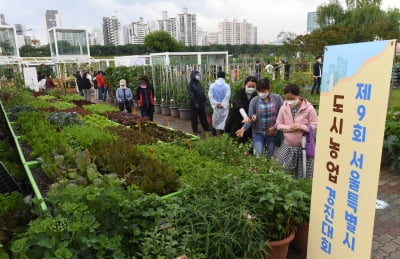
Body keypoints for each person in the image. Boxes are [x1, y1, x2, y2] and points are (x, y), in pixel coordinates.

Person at [275, 84, 318, 178]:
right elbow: (278, 124)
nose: (289, 101)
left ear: (299, 95)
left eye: (292, 98)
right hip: (288, 146)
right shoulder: (284, 108)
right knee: (282, 172)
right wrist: (289, 128)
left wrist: (301, 127)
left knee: (303, 174)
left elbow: (315, 125)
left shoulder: (308, 108)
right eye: (287, 99)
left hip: (304, 147)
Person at [235, 78, 283, 158]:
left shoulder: (277, 98)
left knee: (270, 155)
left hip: (272, 133)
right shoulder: (254, 101)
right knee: (258, 155)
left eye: (263, 91)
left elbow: (282, 115)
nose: (261, 93)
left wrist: (275, 128)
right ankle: (258, 170)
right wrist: (243, 129)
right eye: (259, 91)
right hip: (258, 133)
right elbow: (250, 117)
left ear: (268, 89)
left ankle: (268, 169)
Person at [225, 75, 258, 143]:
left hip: (250, 123)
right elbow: (238, 104)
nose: (251, 88)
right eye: (249, 86)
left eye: (253, 87)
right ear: (245, 85)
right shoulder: (239, 93)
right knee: (235, 140)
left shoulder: (256, 95)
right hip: (238, 119)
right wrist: (245, 116)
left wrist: (253, 115)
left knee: (248, 141)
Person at [208, 71, 231, 135]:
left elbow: (210, 95)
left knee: (215, 119)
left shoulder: (212, 85)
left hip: (216, 107)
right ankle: (221, 134)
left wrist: (215, 103)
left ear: (217, 76)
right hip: (224, 107)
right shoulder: (227, 86)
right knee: (223, 120)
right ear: (224, 77)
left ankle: (214, 134)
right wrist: (223, 104)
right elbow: (227, 96)